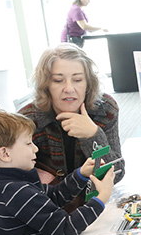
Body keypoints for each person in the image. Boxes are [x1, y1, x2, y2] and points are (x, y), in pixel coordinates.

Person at [19, 44, 125, 187]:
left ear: (88, 83)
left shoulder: (105, 109)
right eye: (58, 80)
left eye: (77, 80)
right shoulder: (28, 120)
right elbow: (13, 182)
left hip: (96, 201)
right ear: (46, 85)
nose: (69, 89)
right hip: (46, 203)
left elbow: (116, 174)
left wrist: (93, 135)